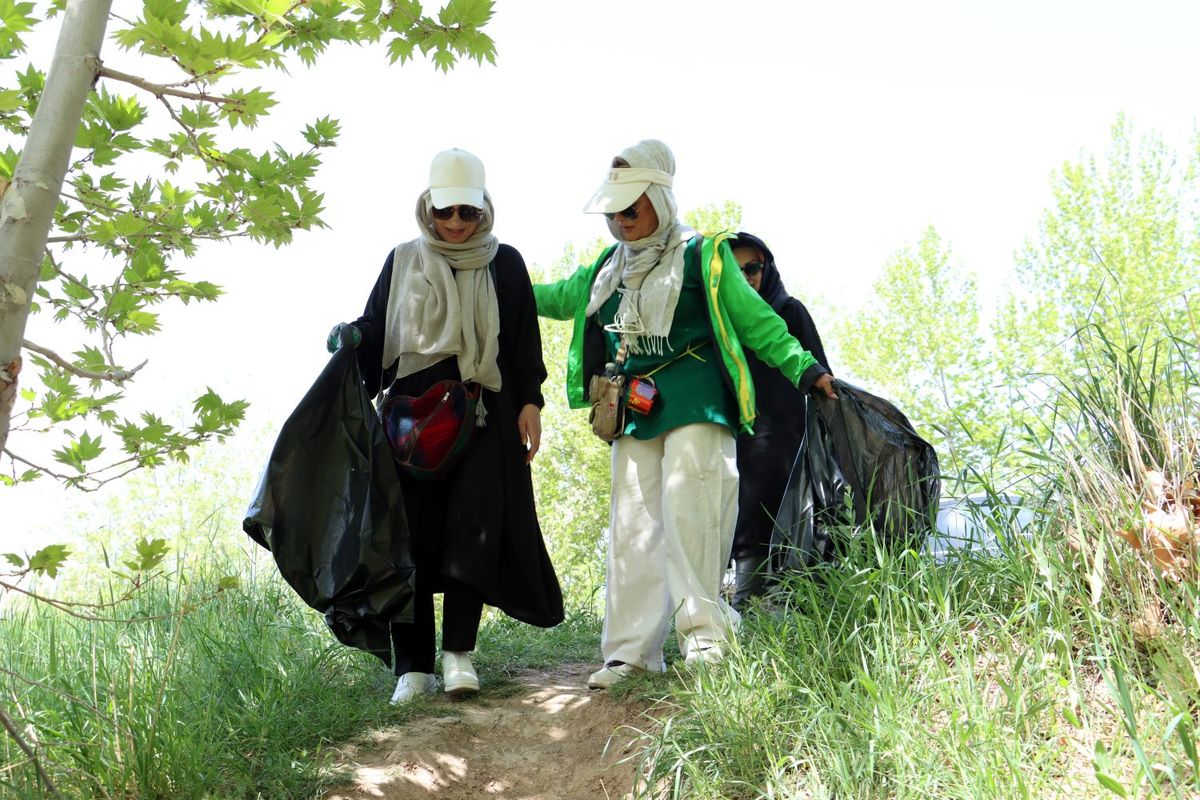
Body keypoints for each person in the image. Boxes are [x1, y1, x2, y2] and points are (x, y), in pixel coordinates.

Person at [533, 140, 837, 689]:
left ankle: (705, 639)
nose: (621, 221)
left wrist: (806, 369)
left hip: (697, 401)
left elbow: (758, 323)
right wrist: (497, 283)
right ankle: (631, 653)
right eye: (614, 212)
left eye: (632, 208)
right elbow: (554, 297)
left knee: (694, 514)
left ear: (660, 199)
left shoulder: (705, 256)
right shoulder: (607, 270)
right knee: (632, 526)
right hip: (632, 408)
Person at [328, 148, 564, 705]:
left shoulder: (504, 263)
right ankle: (414, 667)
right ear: (427, 208)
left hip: (484, 416)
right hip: (410, 422)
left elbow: (523, 342)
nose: (455, 224)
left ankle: (458, 654)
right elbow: (375, 328)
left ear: (484, 211)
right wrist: (351, 339)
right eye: (445, 212)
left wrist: (531, 402)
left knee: (473, 531)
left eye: (467, 213)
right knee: (409, 536)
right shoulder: (401, 260)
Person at [727, 233, 832, 611]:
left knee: (795, 526)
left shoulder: (790, 312)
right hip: (738, 442)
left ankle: (798, 620)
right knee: (746, 522)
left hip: (790, 444)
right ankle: (746, 610)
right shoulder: (722, 324)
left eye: (753, 267)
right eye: (735, 272)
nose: (747, 277)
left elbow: (820, 374)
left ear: (766, 267)